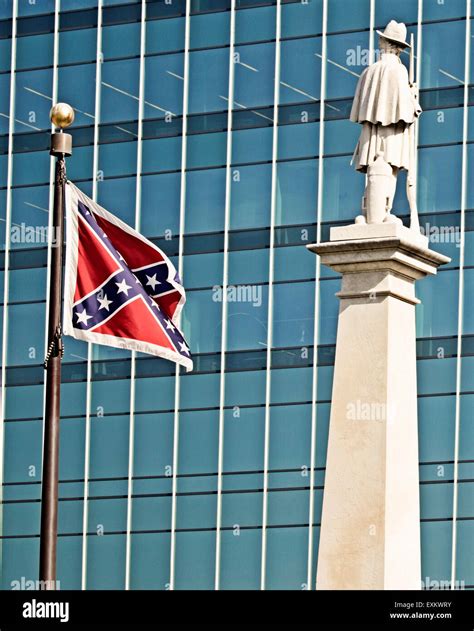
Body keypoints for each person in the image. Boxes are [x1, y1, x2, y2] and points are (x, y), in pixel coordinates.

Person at [350, 20, 422, 222]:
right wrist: (413, 97)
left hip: (371, 133)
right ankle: (382, 214)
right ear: (398, 48)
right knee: (389, 170)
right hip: (392, 132)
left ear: (386, 43)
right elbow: (407, 112)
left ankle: (371, 214)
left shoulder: (369, 71)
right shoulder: (398, 71)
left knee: (374, 169)